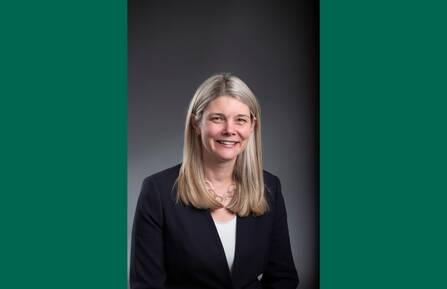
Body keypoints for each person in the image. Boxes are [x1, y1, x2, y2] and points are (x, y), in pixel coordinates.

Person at [130, 73, 299, 289]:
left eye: (240, 119)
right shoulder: (158, 191)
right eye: (217, 118)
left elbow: (283, 278)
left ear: (252, 126)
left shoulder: (270, 187)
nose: (230, 129)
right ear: (195, 123)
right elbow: (145, 285)